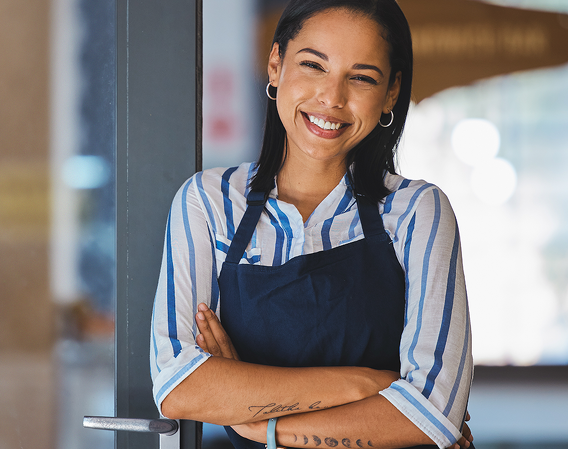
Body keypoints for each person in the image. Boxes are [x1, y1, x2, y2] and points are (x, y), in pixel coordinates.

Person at [150, 1, 474, 448]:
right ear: (276, 65)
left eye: (361, 77)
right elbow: (179, 387)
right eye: (313, 65)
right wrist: (365, 385)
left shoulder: (418, 211)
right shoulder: (209, 202)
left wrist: (256, 424)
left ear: (392, 93)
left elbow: (432, 413)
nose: (331, 98)